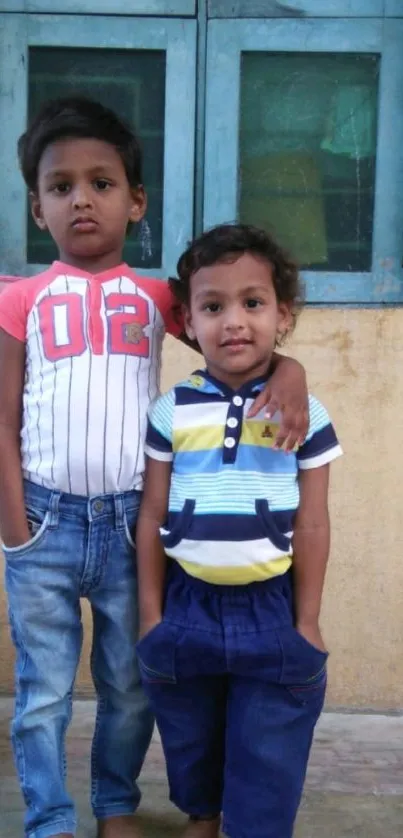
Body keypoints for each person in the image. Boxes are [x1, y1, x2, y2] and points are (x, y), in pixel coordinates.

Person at [0, 99, 309, 838]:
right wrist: (15, 529)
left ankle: (114, 807)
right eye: (61, 185)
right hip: (42, 523)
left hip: (134, 522)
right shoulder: (19, 301)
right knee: (42, 694)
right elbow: (2, 417)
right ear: (37, 208)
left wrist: (291, 367)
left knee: (129, 685)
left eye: (102, 183)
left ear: (135, 202)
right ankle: (48, 818)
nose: (82, 198)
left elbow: (233, 337)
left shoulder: (158, 298)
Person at [136, 223, 343, 838]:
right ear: (188, 321)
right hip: (186, 604)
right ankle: (204, 814)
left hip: (270, 610)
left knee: (269, 747)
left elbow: (313, 519)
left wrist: (306, 620)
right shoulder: (172, 409)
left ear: (284, 315)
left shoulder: (303, 412)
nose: (233, 321)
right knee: (189, 735)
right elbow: (152, 512)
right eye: (213, 306)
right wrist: (152, 615)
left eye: (252, 303)